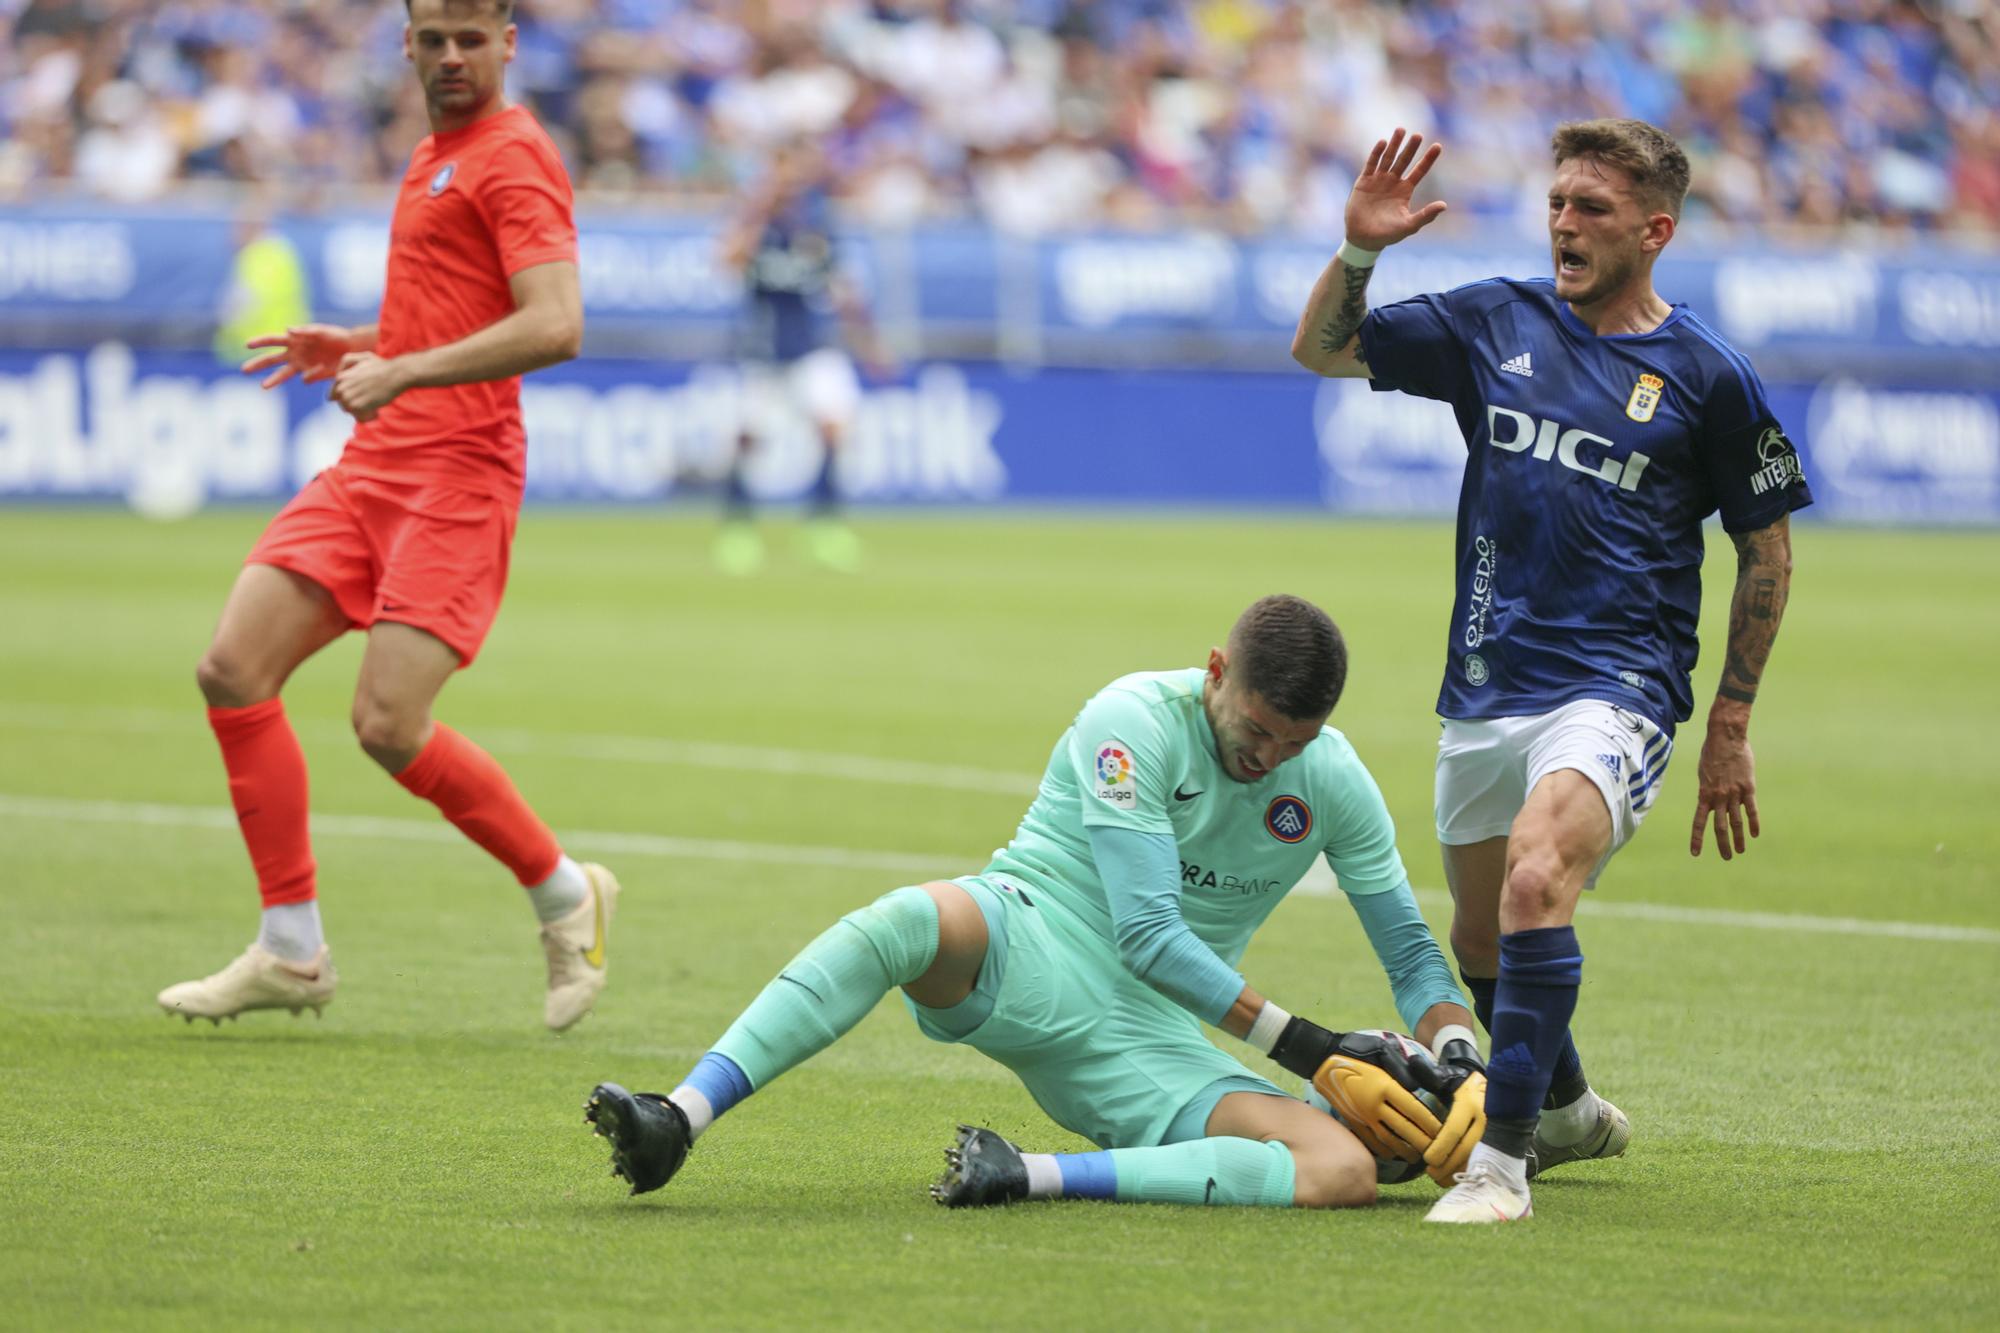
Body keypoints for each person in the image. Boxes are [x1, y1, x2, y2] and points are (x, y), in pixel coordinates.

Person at [1290, 121, 1811, 1223]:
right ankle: (1566, 1109)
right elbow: (1325, 351)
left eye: (1591, 209)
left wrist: (1728, 719)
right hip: (1484, 683)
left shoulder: (1708, 377)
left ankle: (1502, 1169)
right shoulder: (1494, 319)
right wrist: (1359, 254)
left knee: (1536, 882)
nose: (1564, 224)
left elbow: (1763, 546)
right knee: (1482, 939)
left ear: (1653, 231)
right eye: (1557, 202)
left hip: (1618, 686)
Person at [584, 594, 1492, 1211]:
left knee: (1339, 1169)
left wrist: (1459, 1059)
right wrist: (1313, 1048)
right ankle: (679, 1117)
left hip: (1153, 1036)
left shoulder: (1331, 779)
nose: (1268, 759)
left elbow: (1410, 952)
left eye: (1294, 743)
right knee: (910, 919)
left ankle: (1027, 1174)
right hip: (1032, 933)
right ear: (1216, 670)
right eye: (1256, 729)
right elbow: (1144, 934)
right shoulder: (1131, 720)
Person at [158, 0, 620, 1033]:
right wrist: (362, 341)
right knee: (232, 670)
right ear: (406, 45)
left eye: (469, 39)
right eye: (430, 39)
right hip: (378, 463)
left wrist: (402, 366)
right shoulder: (435, 151)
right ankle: (290, 948)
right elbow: (459, 303)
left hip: (459, 474)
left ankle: (563, 893)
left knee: (386, 725)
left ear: (508, 43)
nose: (450, 56)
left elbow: (556, 323)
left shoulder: (511, 154)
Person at [712, 137, 884, 576]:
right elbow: (727, 262)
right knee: (749, 438)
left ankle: (823, 524)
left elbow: (843, 288)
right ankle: (738, 527)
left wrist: (868, 342)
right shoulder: (755, 221)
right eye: (784, 171)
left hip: (813, 347)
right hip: (764, 349)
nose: (792, 181)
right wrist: (758, 212)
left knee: (834, 427)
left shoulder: (819, 223)